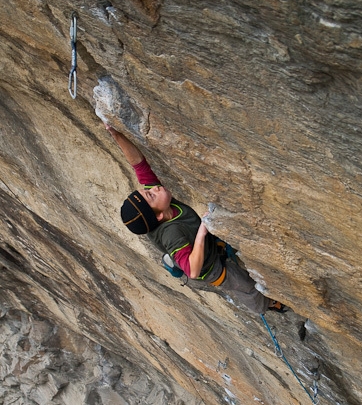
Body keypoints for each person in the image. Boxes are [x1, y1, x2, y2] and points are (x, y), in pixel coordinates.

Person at [105, 124, 287, 315]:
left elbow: (139, 164)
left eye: (148, 190)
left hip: (202, 245)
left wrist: (116, 135)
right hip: (209, 269)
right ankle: (267, 306)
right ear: (158, 216)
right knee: (245, 285)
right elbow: (192, 270)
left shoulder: (160, 206)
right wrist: (202, 231)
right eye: (151, 195)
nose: (154, 188)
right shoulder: (171, 233)